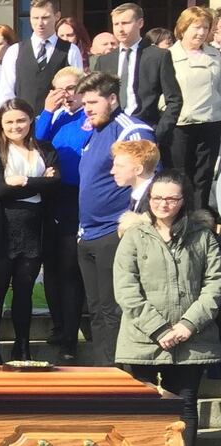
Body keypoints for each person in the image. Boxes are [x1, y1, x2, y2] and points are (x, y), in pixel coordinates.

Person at [114, 169, 221, 446]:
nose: (164, 204)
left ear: (183, 200)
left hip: (192, 338)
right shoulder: (134, 236)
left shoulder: (203, 237)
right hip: (142, 338)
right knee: (141, 408)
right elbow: (126, 288)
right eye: (157, 198)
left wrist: (188, 324)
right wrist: (158, 328)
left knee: (184, 406)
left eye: (171, 199)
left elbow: (215, 285)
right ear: (149, 199)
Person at [75, 71, 155, 367]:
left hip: (114, 232)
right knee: (96, 310)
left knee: (113, 309)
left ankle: (121, 376)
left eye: (93, 102)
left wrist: (133, 221)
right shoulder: (94, 131)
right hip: (88, 234)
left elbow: (148, 179)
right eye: (84, 103)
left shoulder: (131, 130)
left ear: (112, 99)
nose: (88, 109)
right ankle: (103, 373)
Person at [0, 98, 60, 365]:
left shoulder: (44, 148)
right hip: (1, 226)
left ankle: (22, 345)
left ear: (31, 120)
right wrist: (38, 183)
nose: (16, 126)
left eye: (21, 120)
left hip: (33, 226)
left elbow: (56, 183)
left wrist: (22, 180)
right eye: (9, 121)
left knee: (24, 289)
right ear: (0, 123)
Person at [34, 66, 89, 360]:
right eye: (59, 89)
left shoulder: (89, 117)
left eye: (70, 89)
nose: (65, 95)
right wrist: (46, 111)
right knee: (52, 267)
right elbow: (35, 142)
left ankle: (70, 334)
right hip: (50, 196)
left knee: (69, 269)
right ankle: (58, 326)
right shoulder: (54, 117)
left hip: (76, 197)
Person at [93, 2, 182, 148]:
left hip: (145, 128)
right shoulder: (105, 60)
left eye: (125, 23)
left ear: (140, 23)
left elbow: (174, 99)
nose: (120, 29)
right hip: (111, 130)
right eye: (116, 24)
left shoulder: (158, 56)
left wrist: (159, 132)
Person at [168, 7, 221, 211]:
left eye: (205, 28)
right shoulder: (169, 55)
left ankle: (200, 218)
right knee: (182, 175)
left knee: (204, 175)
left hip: (210, 122)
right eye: (196, 27)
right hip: (181, 124)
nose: (200, 32)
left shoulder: (215, 55)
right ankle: (182, 217)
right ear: (183, 28)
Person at [0, 0, 83, 114]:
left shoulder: (71, 50)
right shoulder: (14, 51)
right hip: (24, 122)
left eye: (45, 17)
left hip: (60, 121)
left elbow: (78, 92)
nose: (40, 23)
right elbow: (6, 93)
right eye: (35, 18)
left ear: (57, 16)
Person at [110, 140, 159, 212]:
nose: (112, 171)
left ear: (138, 170)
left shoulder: (154, 203)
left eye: (119, 166)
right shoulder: (141, 196)